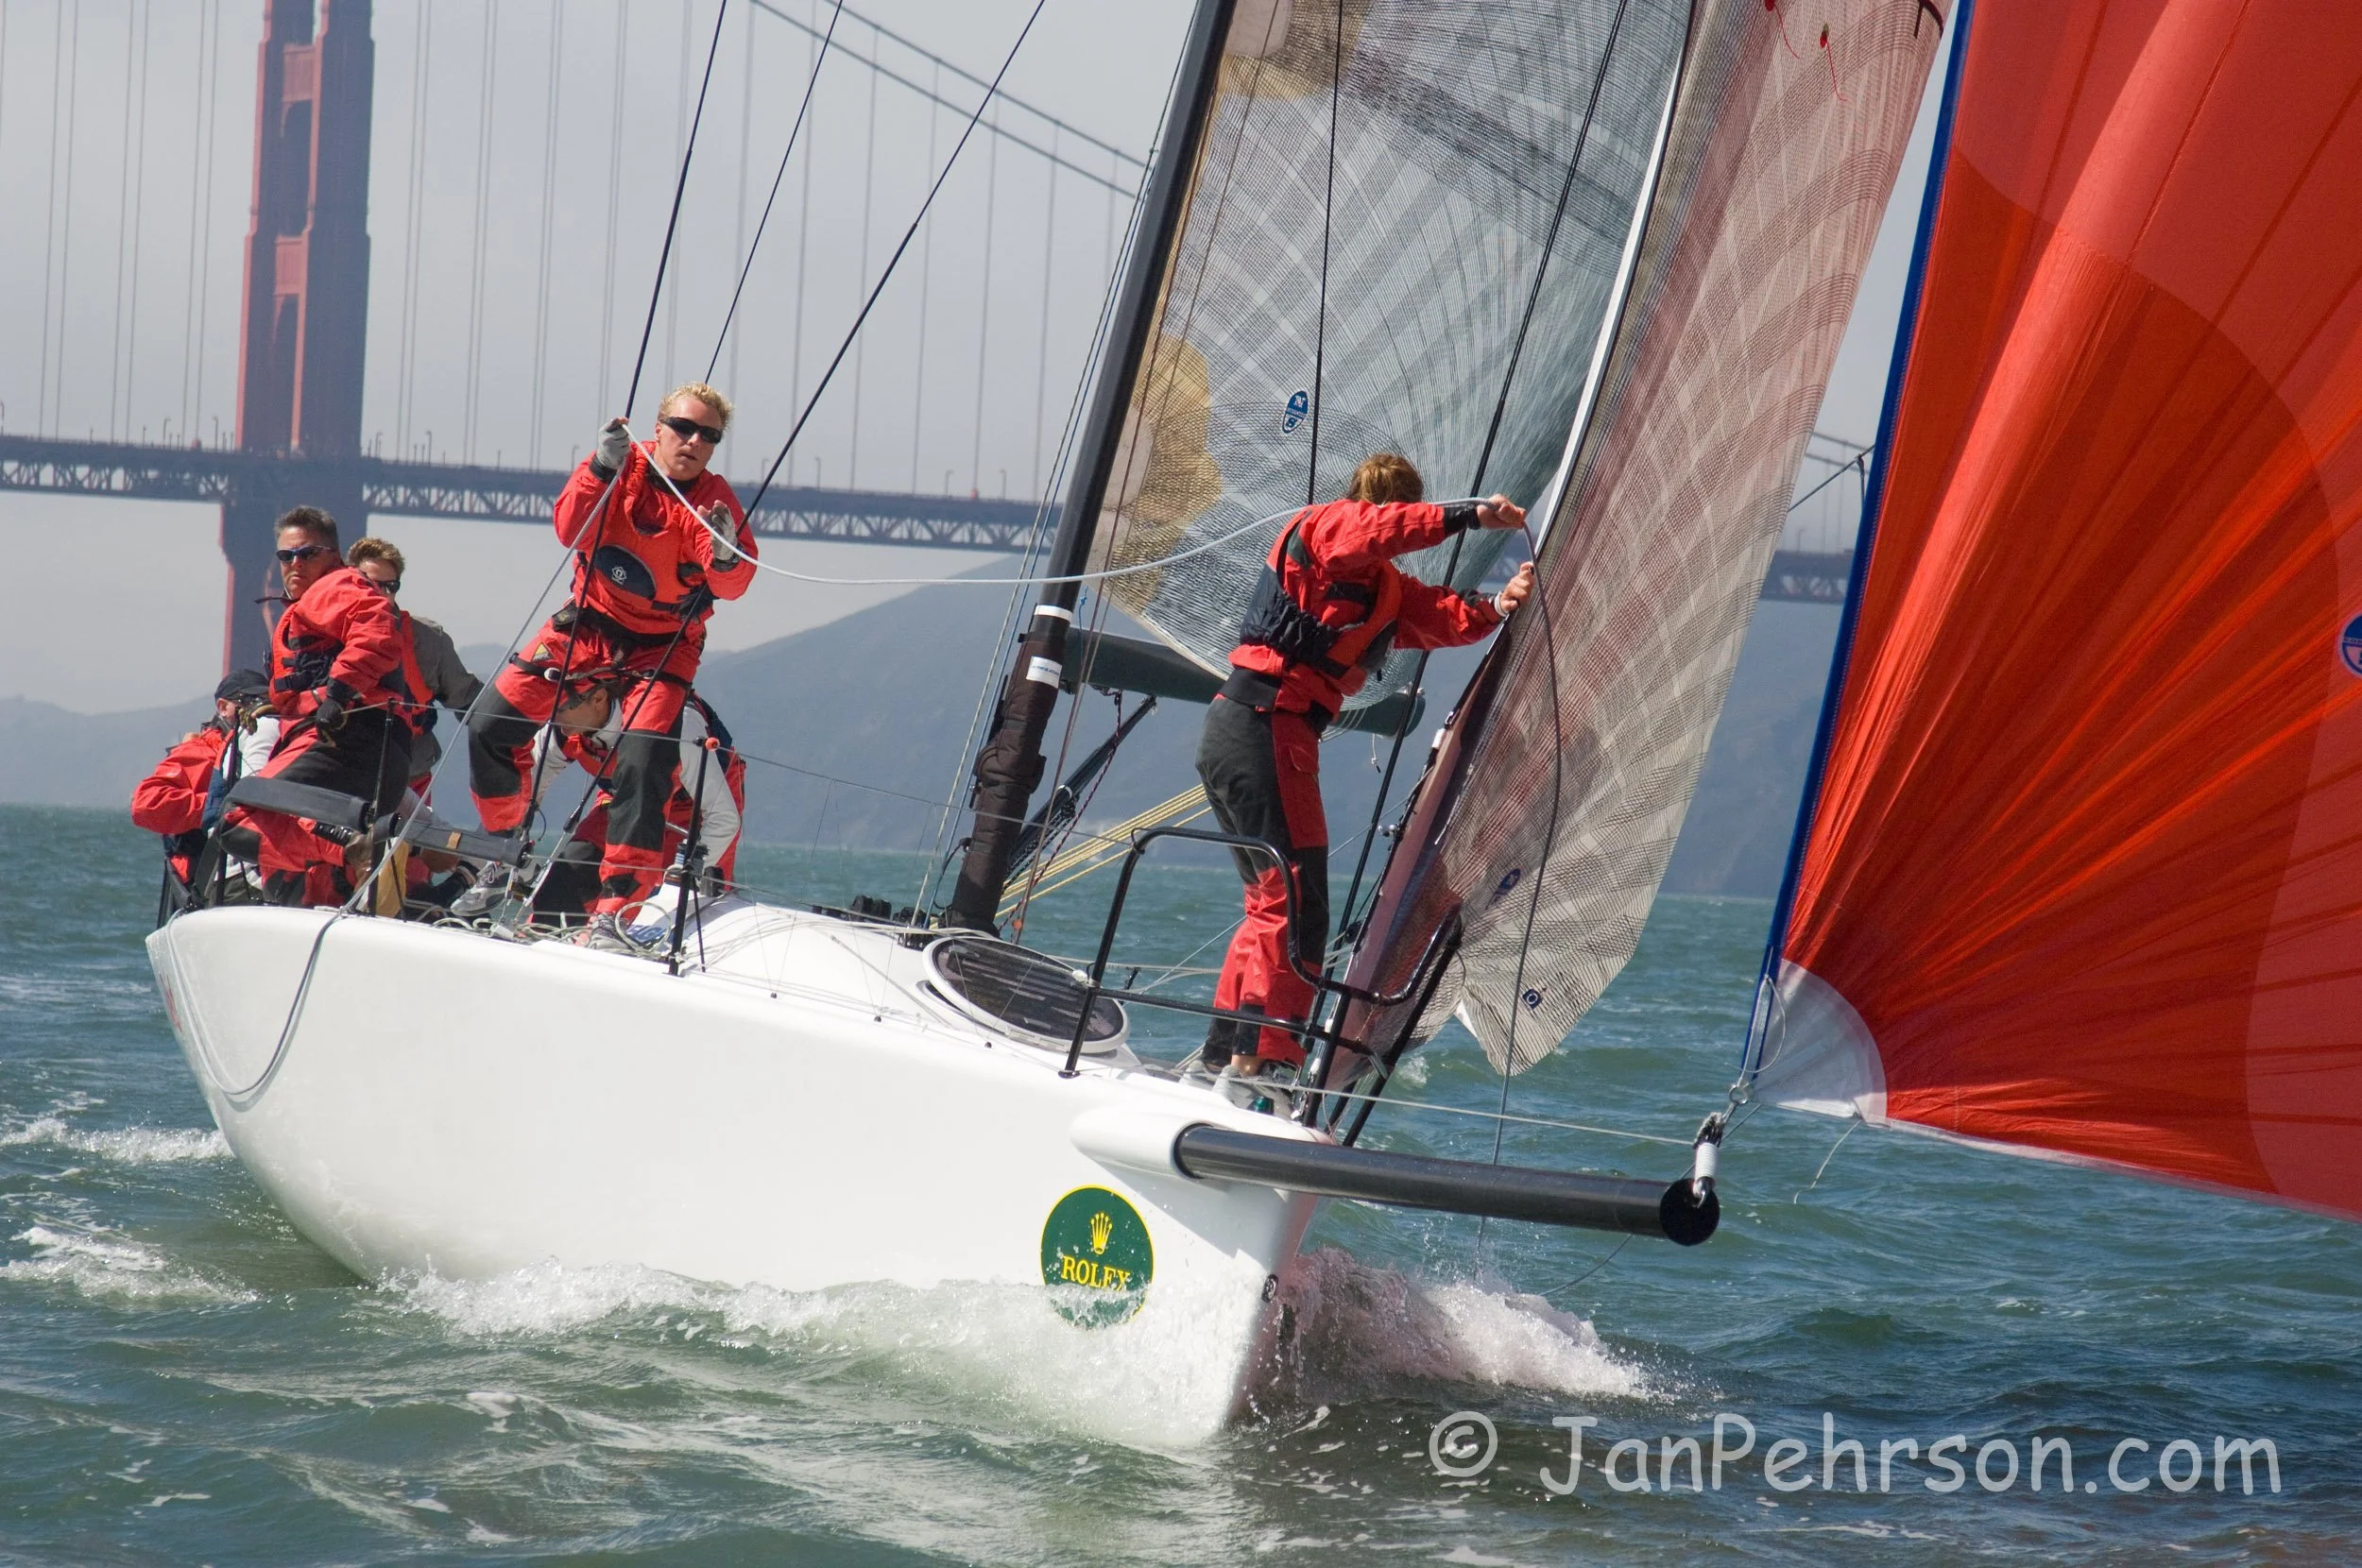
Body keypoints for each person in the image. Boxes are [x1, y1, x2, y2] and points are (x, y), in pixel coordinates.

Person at [1195, 452, 1536, 1108]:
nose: (1388, 527)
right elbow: (1374, 531)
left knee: (1272, 905)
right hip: (1267, 725)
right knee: (1298, 904)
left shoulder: (1384, 590)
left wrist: (1498, 603)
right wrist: (1467, 515)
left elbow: (1440, 615)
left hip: (1248, 731)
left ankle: (1227, 1057)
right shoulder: (1328, 530)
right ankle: (1260, 1062)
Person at [466, 383, 755, 942]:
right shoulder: (619, 466)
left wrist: (724, 553)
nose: (692, 441)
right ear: (659, 425)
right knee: (489, 727)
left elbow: (736, 583)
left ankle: (615, 911)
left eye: (708, 435)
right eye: (682, 427)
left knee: (644, 760)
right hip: (588, 628)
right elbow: (569, 527)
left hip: (661, 649)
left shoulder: (714, 504)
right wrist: (599, 466)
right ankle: (505, 853)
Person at [224, 505, 412, 905]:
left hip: (345, 741)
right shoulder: (307, 607)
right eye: (285, 555)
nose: (294, 563)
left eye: (307, 553)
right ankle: (357, 864)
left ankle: (355, 848)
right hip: (376, 753)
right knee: (276, 831)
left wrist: (339, 694)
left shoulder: (335, 587)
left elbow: (377, 629)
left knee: (237, 821)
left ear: (334, 554)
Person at [512, 680, 746, 943]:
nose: (553, 718)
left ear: (599, 699)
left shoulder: (677, 723)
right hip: (623, 798)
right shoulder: (561, 729)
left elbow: (723, 818)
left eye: (562, 709)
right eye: (550, 709)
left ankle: (627, 933)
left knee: (691, 900)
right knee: (572, 868)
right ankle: (545, 931)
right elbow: (524, 795)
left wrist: (687, 872)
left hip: (697, 810)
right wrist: (511, 853)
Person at [130, 668, 281, 913]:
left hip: (245, 870)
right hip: (203, 882)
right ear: (222, 707)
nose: (257, 708)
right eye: (248, 702)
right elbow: (146, 805)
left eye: (263, 700)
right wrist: (217, 804)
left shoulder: (262, 742)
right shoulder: (200, 751)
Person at [347, 537, 484, 793]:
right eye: (370, 584)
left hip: (410, 777)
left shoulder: (429, 640)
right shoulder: (323, 637)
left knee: (411, 831)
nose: (381, 594)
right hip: (344, 774)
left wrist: (516, 717)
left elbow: (472, 704)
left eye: (390, 586)